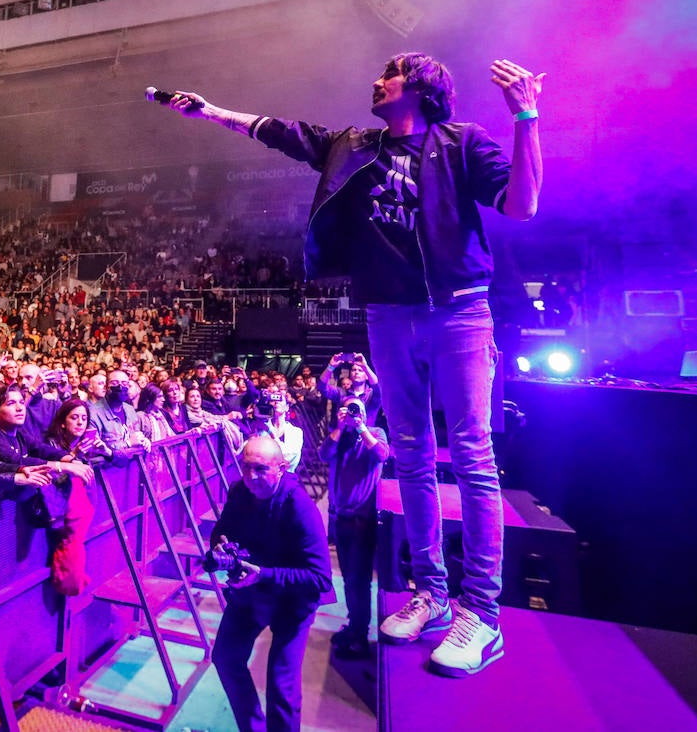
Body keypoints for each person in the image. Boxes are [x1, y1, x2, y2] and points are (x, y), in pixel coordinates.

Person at [158, 52, 544, 676]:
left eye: (390, 74)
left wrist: (526, 117)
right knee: (413, 454)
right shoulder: (352, 146)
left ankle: (483, 612)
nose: (376, 79)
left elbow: (522, 205)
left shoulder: (462, 142)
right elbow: (280, 131)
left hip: (459, 312)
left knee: (472, 455)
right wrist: (210, 111)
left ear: (419, 90)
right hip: (389, 315)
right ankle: (432, 593)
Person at [209, 436, 332, 732]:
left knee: (281, 683)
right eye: (246, 467)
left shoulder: (298, 505)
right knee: (226, 657)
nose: (252, 477)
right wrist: (220, 548)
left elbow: (320, 578)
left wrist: (263, 574)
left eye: (261, 469)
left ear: (282, 468)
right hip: (253, 593)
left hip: (293, 602)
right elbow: (221, 531)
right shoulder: (241, 491)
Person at [320, 397, 390, 659]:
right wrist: (340, 427)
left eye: (356, 409)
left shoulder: (375, 433)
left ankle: (361, 636)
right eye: (347, 409)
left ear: (365, 413)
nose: (352, 413)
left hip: (363, 519)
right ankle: (354, 625)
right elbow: (323, 454)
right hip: (340, 516)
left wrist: (360, 427)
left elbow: (383, 454)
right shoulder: (338, 438)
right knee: (349, 578)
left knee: (360, 580)